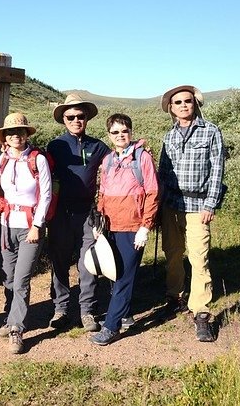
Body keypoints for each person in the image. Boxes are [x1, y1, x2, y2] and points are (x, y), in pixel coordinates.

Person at [158, 84, 225, 342]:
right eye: (178, 102)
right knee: (173, 253)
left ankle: (201, 313)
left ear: (195, 104)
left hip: (199, 206)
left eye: (188, 101)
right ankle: (175, 297)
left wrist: (211, 204)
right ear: (171, 108)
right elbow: (163, 173)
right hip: (172, 204)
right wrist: (159, 205)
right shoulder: (169, 136)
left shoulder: (211, 131)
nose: (184, 105)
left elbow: (217, 170)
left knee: (199, 257)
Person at [89, 114, 159, 346]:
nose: (121, 135)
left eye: (124, 131)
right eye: (115, 132)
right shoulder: (108, 160)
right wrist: (99, 221)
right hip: (110, 226)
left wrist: (145, 226)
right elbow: (103, 193)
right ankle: (125, 315)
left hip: (132, 227)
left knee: (123, 278)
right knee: (112, 273)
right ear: (109, 135)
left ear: (131, 131)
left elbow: (152, 193)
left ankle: (111, 327)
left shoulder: (143, 158)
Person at [46, 94, 110, 332]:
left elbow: (115, 166)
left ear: (86, 119)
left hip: (88, 213)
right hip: (61, 212)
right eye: (70, 117)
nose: (75, 120)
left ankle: (87, 310)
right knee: (59, 261)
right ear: (63, 119)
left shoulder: (99, 146)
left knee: (87, 263)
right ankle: (60, 309)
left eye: (80, 116)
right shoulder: (55, 146)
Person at [0, 112, 52, 354]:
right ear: (5, 137)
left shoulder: (38, 160)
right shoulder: (0, 161)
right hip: (7, 225)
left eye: (20, 131)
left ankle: (16, 328)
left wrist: (37, 225)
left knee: (21, 279)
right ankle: (10, 317)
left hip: (30, 227)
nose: (16, 135)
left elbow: (45, 194)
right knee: (8, 277)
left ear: (27, 135)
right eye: (11, 132)